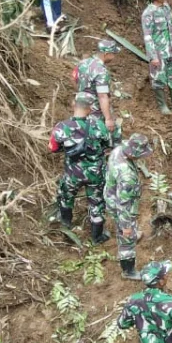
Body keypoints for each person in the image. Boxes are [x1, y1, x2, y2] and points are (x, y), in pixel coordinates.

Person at [50, 93, 113, 244]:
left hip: (73, 173)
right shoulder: (99, 125)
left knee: (66, 196)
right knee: (97, 203)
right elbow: (107, 145)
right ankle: (97, 237)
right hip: (95, 173)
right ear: (90, 109)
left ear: (73, 104)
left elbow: (53, 148)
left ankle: (66, 225)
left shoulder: (62, 127)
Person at [105, 134, 153, 279]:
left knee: (129, 230)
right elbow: (123, 205)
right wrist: (126, 227)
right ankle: (128, 271)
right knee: (127, 239)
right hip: (121, 206)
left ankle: (131, 232)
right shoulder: (127, 176)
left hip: (110, 194)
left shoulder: (118, 151)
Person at [73, 39, 121, 137]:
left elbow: (75, 77)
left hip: (81, 103)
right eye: (113, 54)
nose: (114, 57)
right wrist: (108, 119)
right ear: (106, 54)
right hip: (94, 108)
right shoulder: (101, 71)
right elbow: (102, 96)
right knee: (101, 133)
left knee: (81, 128)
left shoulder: (83, 62)